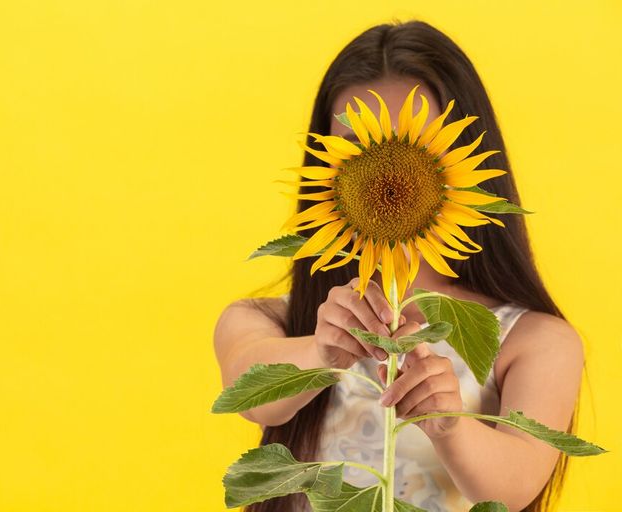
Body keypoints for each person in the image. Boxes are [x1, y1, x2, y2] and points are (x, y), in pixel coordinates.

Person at [212, 19, 585, 512]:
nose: (386, 172)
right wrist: (323, 352)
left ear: (463, 157)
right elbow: (249, 392)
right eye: (358, 148)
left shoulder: (532, 340)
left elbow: (513, 488)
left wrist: (449, 422)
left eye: (414, 145)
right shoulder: (271, 322)